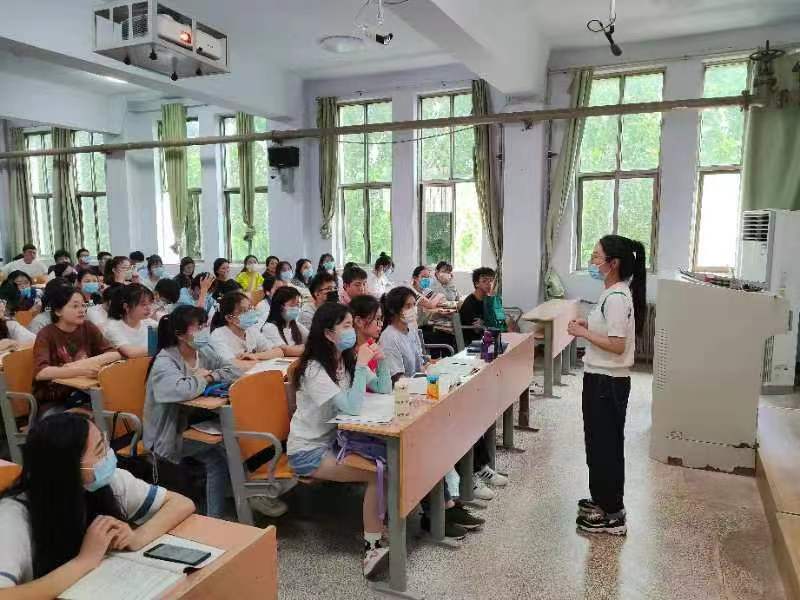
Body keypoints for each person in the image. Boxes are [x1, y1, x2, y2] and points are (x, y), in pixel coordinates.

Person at [0, 412, 194, 594]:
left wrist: (137, 537)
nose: (109, 456)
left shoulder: (106, 481)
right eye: (100, 450)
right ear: (68, 468)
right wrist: (84, 562)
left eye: (105, 444)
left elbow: (181, 503)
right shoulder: (12, 518)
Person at [287, 302, 391, 576]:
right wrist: (362, 365)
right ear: (328, 333)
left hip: (336, 442)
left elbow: (383, 388)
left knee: (388, 460)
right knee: (376, 474)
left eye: (350, 325)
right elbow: (352, 407)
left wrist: (381, 361)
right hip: (307, 451)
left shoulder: (345, 358)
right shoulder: (314, 370)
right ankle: (372, 548)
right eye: (345, 326)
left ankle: (378, 523)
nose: (351, 331)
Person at [145, 306, 258, 518]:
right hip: (168, 434)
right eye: (199, 327)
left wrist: (210, 376)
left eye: (205, 325)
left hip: (196, 422)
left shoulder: (202, 351)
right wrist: (202, 378)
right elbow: (179, 390)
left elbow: (232, 370)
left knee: (234, 443)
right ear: (180, 334)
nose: (204, 331)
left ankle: (241, 499)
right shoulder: (165, 360)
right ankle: (239, 503)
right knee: (224, 450)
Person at [568, 235, 646, 536]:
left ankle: (612, 513)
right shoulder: (613, 293)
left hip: (606, 381)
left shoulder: (616, 298)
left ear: (613, 263)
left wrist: (582, 334)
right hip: (602, 378)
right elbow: (609, 330)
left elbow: (616, 345)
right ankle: (602, 499)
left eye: (597, 256)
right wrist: (588, 325)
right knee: (600, 444)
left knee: (604, 446)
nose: (592, 261)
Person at [32, 287, 121, 418]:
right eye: (75, 306)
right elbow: (41, 372)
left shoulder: (88, 327)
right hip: (55, 399)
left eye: (83, 305)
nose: (81, 310)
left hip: (86, 393)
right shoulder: (46, 334)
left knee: (116, 411)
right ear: (58, 311)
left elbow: (114, 354)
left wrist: (83, 364)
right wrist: (81, 371)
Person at [209, 291, 284, 363]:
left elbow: (279, 352)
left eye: (250, 308)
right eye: (244, 311)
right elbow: (233, 364)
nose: (250, 312)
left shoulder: (251, 330)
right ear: (229, 318)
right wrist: (259, 360)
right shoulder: (218, 335)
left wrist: (255, 356)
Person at [104, 284, 157, 358]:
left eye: (150, 303)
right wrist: (160, 348)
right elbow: (130, 353)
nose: (148, 308)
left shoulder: (149, 323)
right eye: (143, 304)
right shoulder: (113, 327)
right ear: (126, 307)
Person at [260, 286, 308, 356]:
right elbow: (286, 351)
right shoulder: (269, 327)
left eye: (297, 304)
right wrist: (306, 348)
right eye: (292, 304)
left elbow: (313, 338)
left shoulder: (295, 324)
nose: (296, 308)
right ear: (280, 306)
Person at [458, 267, 496, 345]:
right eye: (484, 281)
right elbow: (477, 329)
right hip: (473, 342)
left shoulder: (488, 299)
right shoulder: (470, 303)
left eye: (491, 280)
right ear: (476, 284)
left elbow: (499, 321)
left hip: (487, 337)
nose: (489, 284)